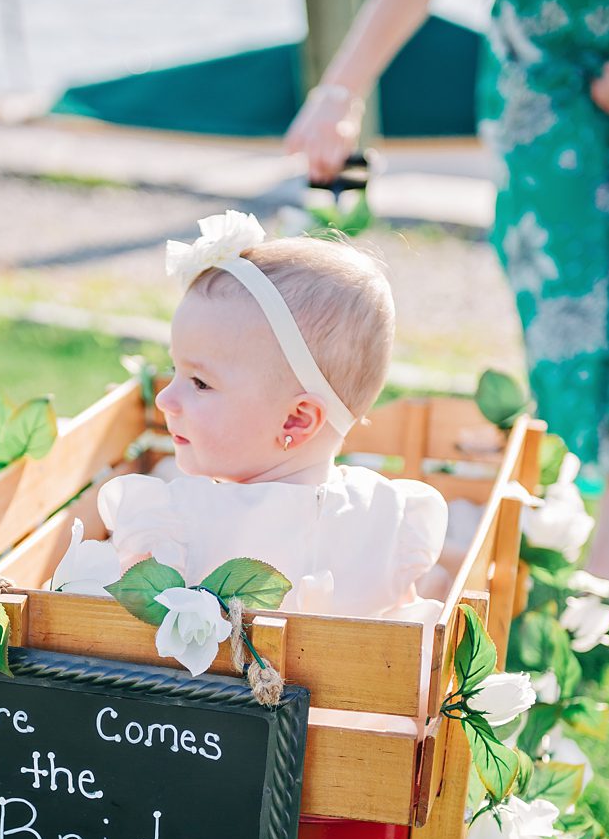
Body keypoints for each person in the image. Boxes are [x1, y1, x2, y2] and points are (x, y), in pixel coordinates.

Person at [285, 0, 609, 595]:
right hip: (548, 67)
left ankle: (598, 503)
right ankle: (584, 510)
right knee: (569, 283)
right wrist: (340, 91)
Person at [96, 210, 448, 625]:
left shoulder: (179, 520)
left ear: (296, 421)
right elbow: (404, 624)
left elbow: (115, 630)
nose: (166, 399)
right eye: (176, 372)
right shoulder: (390, 516)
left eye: (200, 383)